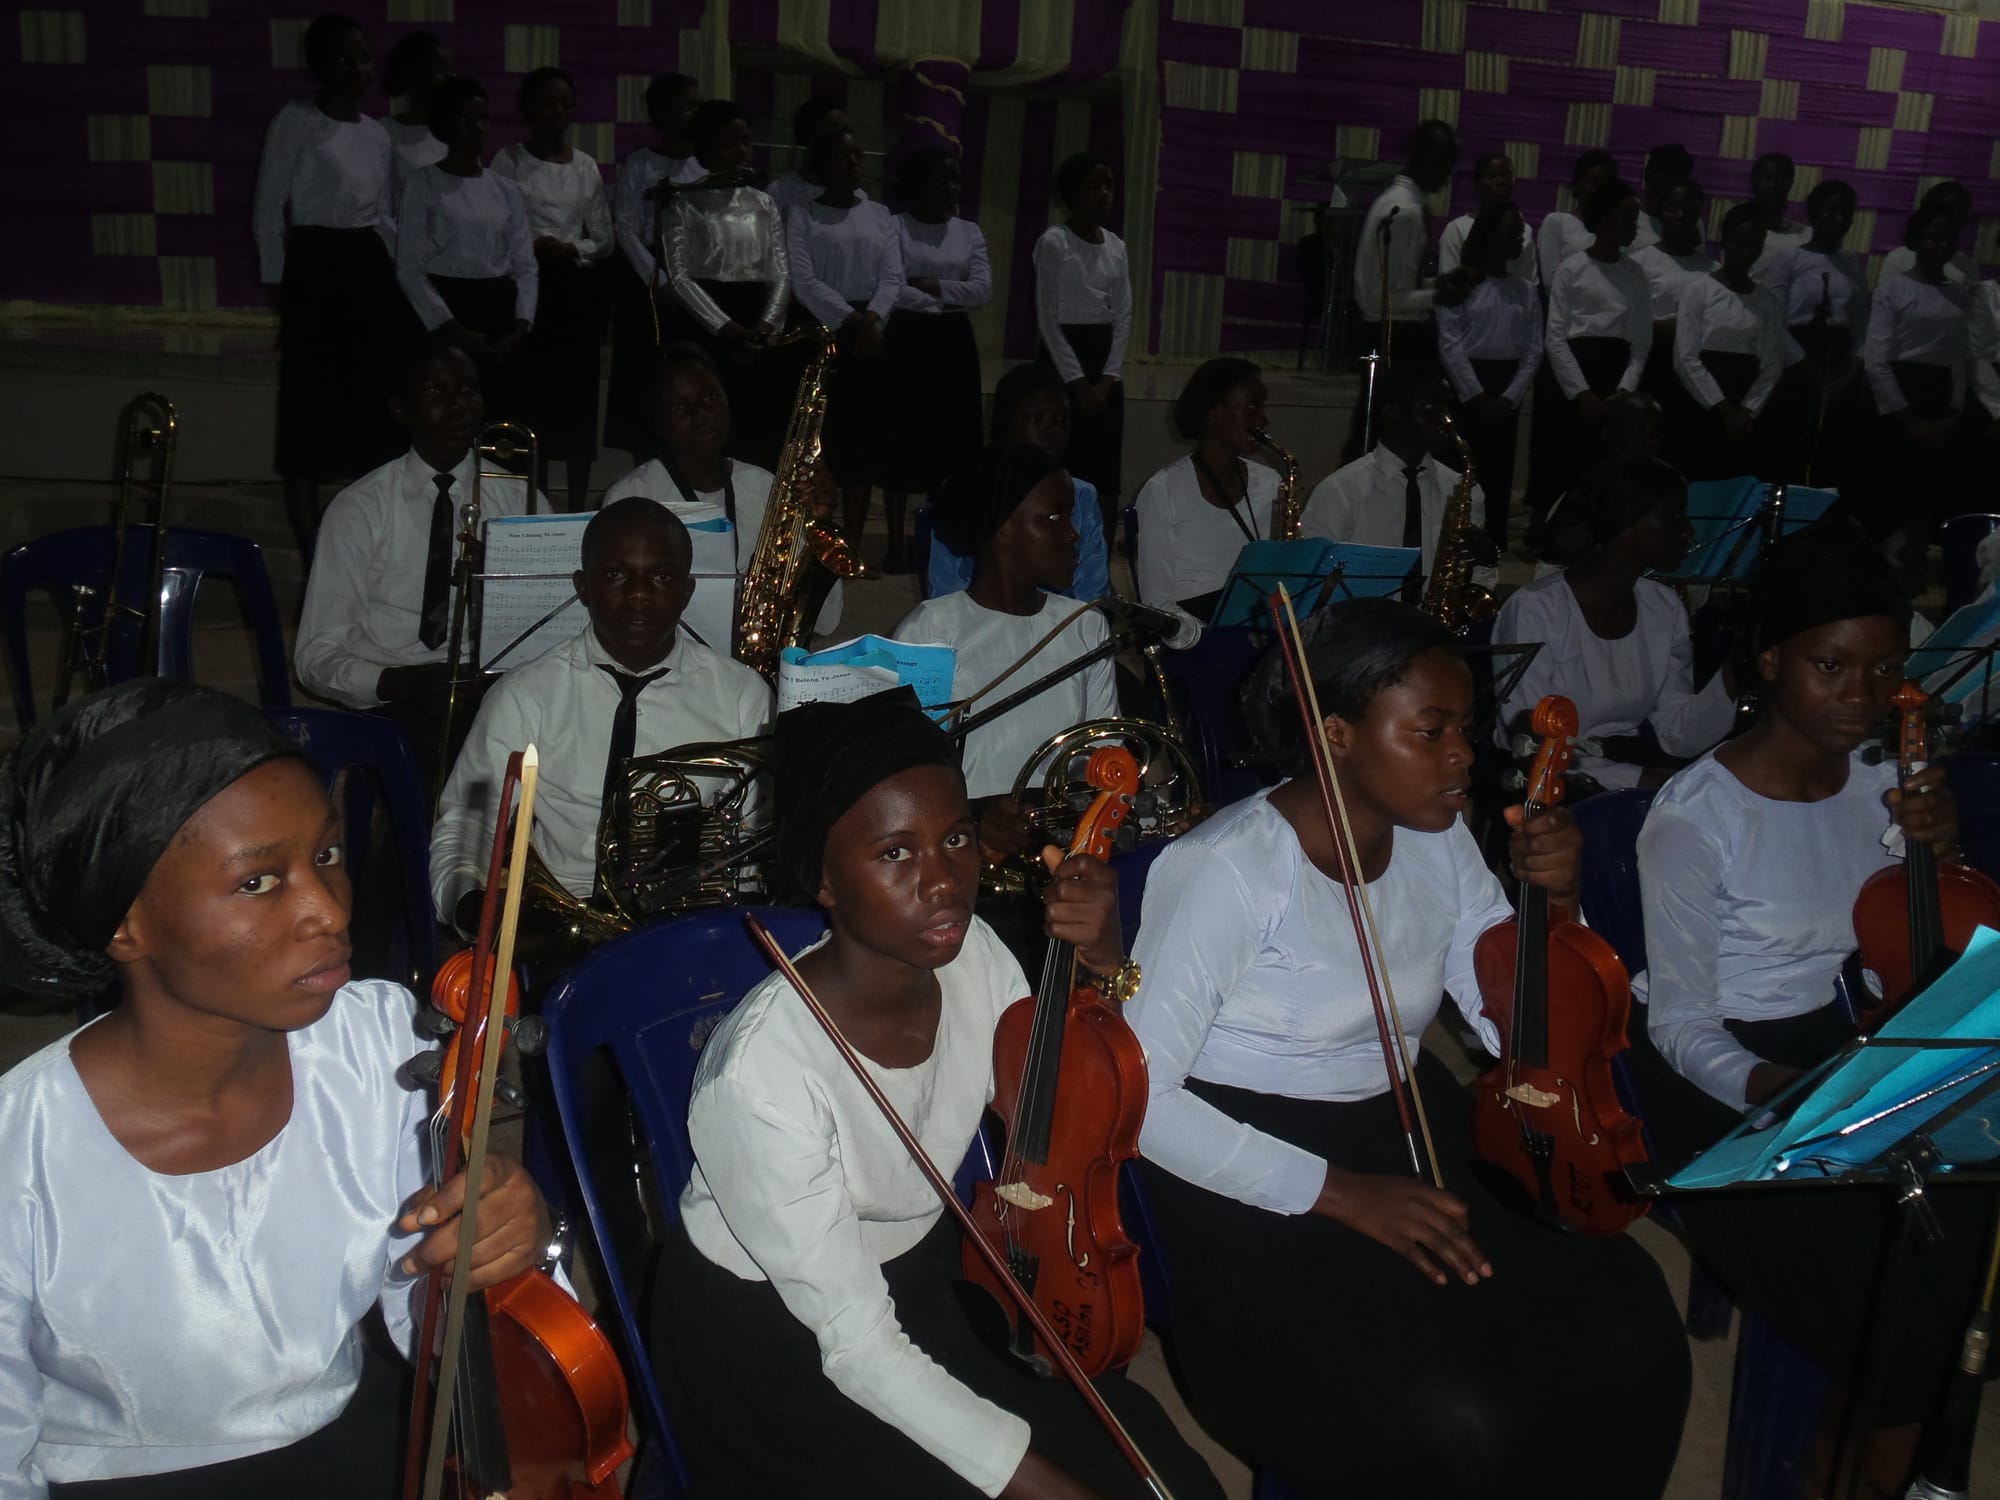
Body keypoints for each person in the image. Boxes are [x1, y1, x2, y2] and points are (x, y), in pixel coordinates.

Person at [1124, 599, 1691, 1499]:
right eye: (1430, 732)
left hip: (1406, 1115)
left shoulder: (1440, 837)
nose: (1463, 755)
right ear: (1336, 734)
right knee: (1444, 1416)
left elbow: (1513, 1023)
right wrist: (1343, 1194)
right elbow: (1141, 1102)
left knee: (1630, 1323)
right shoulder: (1226, 869)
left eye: (1462, 728)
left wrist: (1556, 907)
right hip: (1248, 1152)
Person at [651, 686, 1224, 1500]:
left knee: (1159, 1466)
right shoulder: (760, 1081)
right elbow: (858, 1346)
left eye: (955, 838)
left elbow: (1074, 1104)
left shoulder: (975, 954)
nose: (945, 882)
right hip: (782, 1340)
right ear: (824, 880)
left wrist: (1103, 965)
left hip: (925, 1271)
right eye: (895, 854)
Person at [0, 679, 553, 1500]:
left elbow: (427, 1318)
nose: (329, 911)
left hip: (357, 1440)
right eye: (258, 882)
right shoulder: (22, 1155)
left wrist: (506, 1244)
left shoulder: (375, 1043)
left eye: (326, 855)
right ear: (125, 925)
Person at [1629, 522, 1992, 1500]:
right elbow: (1677, 1026)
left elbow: (1904, 957)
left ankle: (1875, 1426)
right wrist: (1785, 1092)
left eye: (1884, 670)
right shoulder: (1695, 818)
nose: (1862, 696)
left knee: (1970, 1205)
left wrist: (1941, 854)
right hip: (1728, 1074)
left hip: (1844, 1038)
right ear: (1769, 660)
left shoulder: (1884, 783)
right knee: (1894, 1263)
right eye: (1830, 666)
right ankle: (1863, 1454)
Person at [431, 499, 772, 936]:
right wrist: (470, 905)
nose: (639, 594)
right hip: (563, 927)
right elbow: (467, 824)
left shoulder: (743, 695)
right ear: (583, 586)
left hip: (694, 923)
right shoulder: (525, 695)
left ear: (687, 591)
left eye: (662, 576)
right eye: (615, 575)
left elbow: (756, 833)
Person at [295, 335, 545, 770]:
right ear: (400, 409)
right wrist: (398, 683)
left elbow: (551, 631)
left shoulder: (522, 501)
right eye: (434, 391)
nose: (457, 404)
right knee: (435, 756)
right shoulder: (360, 508)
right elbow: (316, 656)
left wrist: (498, 587)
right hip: (395, 692)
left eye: (468, 390)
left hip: (494, 688)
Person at [894, 444, 1119, 859]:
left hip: (1061, 848)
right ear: (1001, 528)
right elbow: (907, 773)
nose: (1073, 534)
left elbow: (1104, 755)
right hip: (961, 851)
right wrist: (977, 823)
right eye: (1054, 518)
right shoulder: (931, 630)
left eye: (1070, 516)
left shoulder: (1086, 626)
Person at [251, 12, 403, 552]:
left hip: (366, 267)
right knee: (307, 408)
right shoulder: (296, 122)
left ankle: (369, 543)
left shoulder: (377, 134)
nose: (357, 69)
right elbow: (269, 209)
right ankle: (310, 550)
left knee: (370, 401)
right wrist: (283, 291)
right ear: (318, 65)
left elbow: (382, 214)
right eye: (344, 58)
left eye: (363, 58)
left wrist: (404, 272)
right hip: (314, 265)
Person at [1495, 458, 1734, 789]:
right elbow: (1529, 741)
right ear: (1629, 524)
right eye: (1675, 518)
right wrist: (1637, 779)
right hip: (1540, 784)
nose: (1689, 532)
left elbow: (1676, 734)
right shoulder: (1537, 609)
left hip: (1618, 773)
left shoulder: (1664, 606)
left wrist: (1733, 679)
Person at [600, 343, 842, 640]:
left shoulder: (766, 486)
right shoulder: (631, 496)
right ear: (657, 421)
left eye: (710, 398)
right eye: (679, 407)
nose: (700, 415)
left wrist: (819, 523)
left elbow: (826, 621)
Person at [491, 66, 611, 513]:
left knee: (577, 400)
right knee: (530, 401)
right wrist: (532, 243)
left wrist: (572, 246)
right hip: (526, 286)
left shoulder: (585, 166)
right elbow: (496, 224)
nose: (556, 112)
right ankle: (532, 505)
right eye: (546, 103)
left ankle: (577, 510)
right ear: (529, 109)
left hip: (573, 290)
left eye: (565, 103)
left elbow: (604, 237)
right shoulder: (508, 161)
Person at [787, 126, 903, 565]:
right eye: (841, 156)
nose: (854, 164)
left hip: (871, 332)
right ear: (820, 166)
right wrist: (853, 321)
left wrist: (872, 319)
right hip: (825, 331)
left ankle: (851, 547)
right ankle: (811, 544)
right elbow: (804, 280)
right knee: (819, 441)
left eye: (857, 155)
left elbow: (892, 276)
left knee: (862, 443)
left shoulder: (880, 214)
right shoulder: (803, 214)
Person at [394, 77, 537, 423]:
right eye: (466, 118)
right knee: (448, 414)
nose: (477, 127)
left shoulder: (505, 189)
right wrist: (453, 329)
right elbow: (410, 268)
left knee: (499, 415)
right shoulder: (423, 183)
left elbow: (525, 265)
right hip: (446, 313)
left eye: (483, 117)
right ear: (444, 124)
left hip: (499, 315)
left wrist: (521, 325)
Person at [662, 98, 794, 472]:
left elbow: (781, 272)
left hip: (757, 320)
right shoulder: (684, 203)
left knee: (759, 425)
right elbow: (680, 276)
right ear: (705, 151)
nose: (742, 151)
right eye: (730, 143)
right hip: (709, 322)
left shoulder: (763, 203)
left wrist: (766, 327)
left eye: (746, 142)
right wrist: (726, 328)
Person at [1299, 361, 1494, 599]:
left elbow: (1478, 585)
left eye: (1446, 408)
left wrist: (1485, 559)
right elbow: (1309, 582)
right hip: (1361, 619)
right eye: (1428, 408)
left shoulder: (1463, 489)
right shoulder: (1340, 491)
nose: (1445, 420)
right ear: (1391, 410)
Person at [884, 147, 992, 575]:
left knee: (956, 440)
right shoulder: (895, 226)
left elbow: (982, 289)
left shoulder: (969, 231)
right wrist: (943, 297)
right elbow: (893, 286)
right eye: (942, 181)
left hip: (953, 340)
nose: (952, 189)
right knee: (902, 435)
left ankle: (945, 537)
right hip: (907, 337)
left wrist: (932, 287)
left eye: (955, 181)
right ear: (919, 185)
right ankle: (895, 543)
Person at [926, 363, 1109, 603]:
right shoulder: (968, 490)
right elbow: (945, 592)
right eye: (1037, 418)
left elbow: (1092, 594)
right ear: (1006, 421)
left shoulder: (1082, 495)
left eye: (1062, 419)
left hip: (1064, 621)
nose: (1053, 429)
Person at [1531, 180, 1651, 532]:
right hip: (1574, 372)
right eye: (1628, 219)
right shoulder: (1572, 268)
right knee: (1562, 458)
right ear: (1605, 220)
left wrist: (1624, 392)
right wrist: (1581, 393)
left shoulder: (1635, 274)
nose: (1634, 228)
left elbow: (1641, 340)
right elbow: (1555, 336)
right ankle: (1548, 533)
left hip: (1615, 374)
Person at [1858, 200, 1978, 548]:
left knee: (1930, 503)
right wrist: (1909, 420)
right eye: (1934, 237)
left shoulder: (1959, 296)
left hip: (1939, 400)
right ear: (1916, 240)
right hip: (1898, 401)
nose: (1942, 246)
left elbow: (1960, 359)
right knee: (1889, 499)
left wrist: (1953, 415)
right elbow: (1876, 360)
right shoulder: (1893, 288)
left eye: (1949, 239)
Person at [1131, 359, 1282, 616]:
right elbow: (1156, 602)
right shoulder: (1162, 491)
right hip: (1190, 630)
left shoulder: (1271, 483)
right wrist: (1210, 634)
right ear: (1214, 412)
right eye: (1252, 406)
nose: (1264, 420)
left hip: (1255, 625)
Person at [1033, 152, 1132, 544]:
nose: (1104, 194)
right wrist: (1077, 383)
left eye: (1109, 186)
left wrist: (1107, 379)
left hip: (1102, 360)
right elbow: (1048, 317)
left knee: (1104, 470)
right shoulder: (1054, 242)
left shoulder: (1117, 246)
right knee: (1058, 463)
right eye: (1094, 186)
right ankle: (1052, 548)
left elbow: (1123, 315)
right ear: (1072, 193)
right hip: (1063, 358)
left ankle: (1098, 559)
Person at [604, 72, 703, 462]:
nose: (693, 115)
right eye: (685, 107)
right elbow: (626, 227)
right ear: (661, 115)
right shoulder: (642, 162)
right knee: (645, 375)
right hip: (647, 279)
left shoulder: (703, 166)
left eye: (697, 106)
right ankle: (644, 465)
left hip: (695, 279)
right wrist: (658, 279)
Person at [1434, 199, 1542, 543]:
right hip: (1468, 391)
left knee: (1497, 474)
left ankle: (1490, 546)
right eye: (1513, 232)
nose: (1521, 239)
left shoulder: (1525, 290)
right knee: (1460, 472)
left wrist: (1509, 398)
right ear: (1490, 235)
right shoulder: (1458, 286)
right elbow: (1450, 344)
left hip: (1506, 390)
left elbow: (1533, 349)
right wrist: (1478, 397)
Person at [1670, 202, 1793, 480]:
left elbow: (1772, 364)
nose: (1746, 253)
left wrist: (1747, 411)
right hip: (1702, 401)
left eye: (1754, 246)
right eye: (1739, 244)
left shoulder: (1768, 302)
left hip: (1746, 403)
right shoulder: (1699, 290)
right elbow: (1685, 357)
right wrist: (1723, 409)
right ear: (1725, 241)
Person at [1764, 179, 1871, 485]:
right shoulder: (1789, 259)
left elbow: (1862, 328)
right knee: (1788, 443)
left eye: (1845, 213)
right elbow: (1774, 318)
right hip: (1795, 358)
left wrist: (1848, 372)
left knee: (1830, 450)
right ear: (1814, 214)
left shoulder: (1852, 267)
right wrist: (1804, 367)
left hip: (1839, 359)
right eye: (1830, 212)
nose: (1838, 220)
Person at [1352, 120, 1467, 369]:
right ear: (1423, 157)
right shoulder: (1403, 211)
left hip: (1391, 333)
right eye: (1443, 163)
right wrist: (1438, 296)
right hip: (1392, 337)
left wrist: (1436, 283)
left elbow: (1399, 284)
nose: (1447, 175)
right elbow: (1379, 299)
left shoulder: (1400, 202)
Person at [1437, 152, 1536, 286]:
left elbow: (1529, 284)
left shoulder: (1524, 231)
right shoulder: (1456, 229)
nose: (1500, 181)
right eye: (1492, 176)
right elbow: (1448, 284)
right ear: (1478, 182)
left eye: (1506, 176)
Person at [380, 30, 451, 202]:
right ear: (411, 73)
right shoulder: (383, 133)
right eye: (440, 69)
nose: (449, 77)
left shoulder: (454, 134)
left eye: (449, 70)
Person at [1535, 149, 1617, 287]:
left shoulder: (1614, 230)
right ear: (1577, 184)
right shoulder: (1557, 222)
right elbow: (1550, 281)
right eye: (1593, 183)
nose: (1599, 191)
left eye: (1606, 187)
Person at [765, 97, 863, 210]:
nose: (843, 137)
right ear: (808, 134)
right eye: (834, 128)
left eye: (845, 129)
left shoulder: (858, 196)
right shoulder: (779, 193)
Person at [1878, 180, 1978, 286]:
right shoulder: (1898, 259)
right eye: (1946, 211)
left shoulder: (1968, 266)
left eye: (1962, 213)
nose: (1953, 218)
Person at [1746, 151, 1811, 277]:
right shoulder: (1739, 230)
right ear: (1753, 182)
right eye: (1764, 179)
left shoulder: (1806, 236)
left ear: (1789, 184)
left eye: (1778, 180)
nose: (1771, 185)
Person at [1629, 142, 1694, 252]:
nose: (1662, 198)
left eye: (1668, 191)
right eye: (1659, 189)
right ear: (1647, 182)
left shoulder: (1690, 222)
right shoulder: (1629, 219)